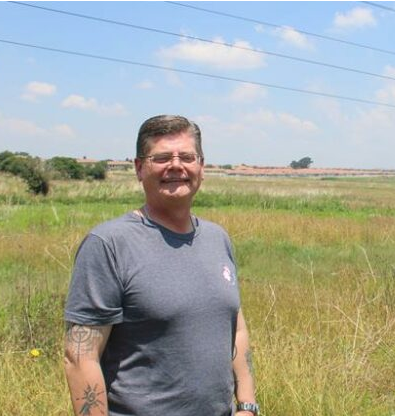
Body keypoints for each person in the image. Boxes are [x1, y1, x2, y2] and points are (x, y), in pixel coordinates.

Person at [64, 115, 259, 416]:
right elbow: (81, 357)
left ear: (201, 167)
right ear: (139, 168)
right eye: (162, 157)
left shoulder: (217, 238)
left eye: (187, 157)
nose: (176, 166)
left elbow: (236, 328)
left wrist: (246, 405)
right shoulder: (109, 244)